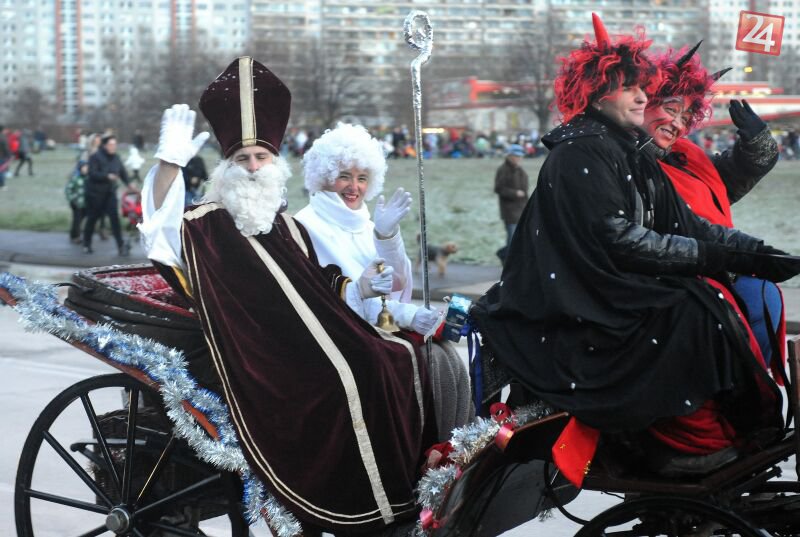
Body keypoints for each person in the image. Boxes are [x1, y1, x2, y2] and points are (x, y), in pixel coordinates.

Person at [472, 14, 799, 485]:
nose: (643, 97)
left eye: (644, 87)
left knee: (712, 301)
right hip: (577, 299)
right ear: (597, 92)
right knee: (693, 311)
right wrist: (719, 259)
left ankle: (726, 432)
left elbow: (689, 225)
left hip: (610, 282)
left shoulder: (629, 151)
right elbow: (618, 239)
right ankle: (678, 447)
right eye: (631, 88)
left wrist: (763, 256)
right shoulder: (584, 150)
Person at [138, 57, 438, 534]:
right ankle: (361, 502)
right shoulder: (205, 224)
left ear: (275, 163)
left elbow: (317, 284)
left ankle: (405, 490)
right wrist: (169, 163)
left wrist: (359, 288)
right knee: (355, 373)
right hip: (259, 353)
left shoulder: (285, 225)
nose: (254, 168)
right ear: (227, 166)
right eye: (243, 159)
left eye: (261, 157)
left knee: (396, 355)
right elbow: (159, 229)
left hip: (309, 336)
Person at [295, 122, 472, 438]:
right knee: (426, 362)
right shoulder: (304, 227)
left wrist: (387, 235)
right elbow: (316, 301)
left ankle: (455, 446)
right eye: (345, 176)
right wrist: (365, 294)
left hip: (379, 326)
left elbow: (397, 284)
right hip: (340, 339)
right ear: (324, 176)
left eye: (362, 178)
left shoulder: (366, 221)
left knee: (445, 355)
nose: (355, 187)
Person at [642, 44, 784, 371]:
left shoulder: (685, 154)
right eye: (671, 108)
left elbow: (724, 182)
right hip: (671, 274)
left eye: (686, 116)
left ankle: (748, 386)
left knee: (763, 297)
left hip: (712, 263)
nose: (678, 123)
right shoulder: (626, 158)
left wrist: (757, 143)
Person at [83, 135, 134, 255]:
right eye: (111, 144)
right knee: (92, 219)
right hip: (95, 194)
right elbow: (92, 173)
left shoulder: (116, 157)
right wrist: (106, 176)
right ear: (105, 145)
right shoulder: (95, 157)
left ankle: (121, 246)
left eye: (115, 144)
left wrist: (129, 184)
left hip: (110, 193)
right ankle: (86, 244)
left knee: (114, 219)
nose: (113, 147)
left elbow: (122, 172)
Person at [493, 143, 529, 262]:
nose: (518, 158)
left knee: (520, 238)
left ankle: (505, 255)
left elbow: (525, 191)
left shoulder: (521, 171)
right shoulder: (503, 170)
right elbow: (498, 188)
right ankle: (508, 260)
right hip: (509, 210)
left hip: (521, 209)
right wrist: (515, 193)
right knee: (512, 238)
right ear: (509, 156)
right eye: (516, 156)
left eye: (520, 156)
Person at [65, 160, 88, 244]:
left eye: (87, 167)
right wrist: (72, 199)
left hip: (85, 203)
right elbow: (68, 189)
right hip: (76, 203)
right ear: (80, 168)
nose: (86, 169)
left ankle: (73, 234)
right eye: (84, 167)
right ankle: (76, 237)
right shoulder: (75, 178)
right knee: (77, 220)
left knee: (80, 219)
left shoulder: (88, 178)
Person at [0, 126, 10, 191]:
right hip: (2, 156)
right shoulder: (3, 137)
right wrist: (9, 155)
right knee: (1, 171)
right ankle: (2, 184)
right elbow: (5, 147)